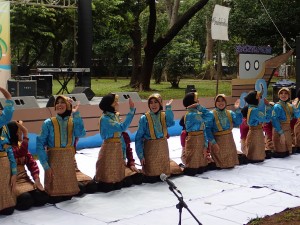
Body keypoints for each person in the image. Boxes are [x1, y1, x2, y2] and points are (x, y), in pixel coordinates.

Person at [36, 95, 86, 203]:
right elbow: (40, 145)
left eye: (62, 102)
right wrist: (46, 166)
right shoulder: (48, 123)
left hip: (68, 161)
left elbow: (81, 133)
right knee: (55, 197)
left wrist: (76, 113)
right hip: (53, 162)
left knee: (69, 196)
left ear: (68, 105)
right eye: (57, 103)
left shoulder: (73, 121)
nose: (59, 105)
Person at [135, 93, 182, 183]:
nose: (153, 105)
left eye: (156, 102)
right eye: (151, 102)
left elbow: (171, 123)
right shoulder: (144, 118)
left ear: (160, 103)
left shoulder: (164, 116)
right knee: (151, 178)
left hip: (163, 148)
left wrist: (168, 108)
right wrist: (141, 156)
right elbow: (138, 138)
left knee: (164, 177)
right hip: (150, 150)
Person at [94, 93, 136, 192]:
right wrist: (131, 111)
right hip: (109, 147)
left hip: (117, 147)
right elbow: (122, 127)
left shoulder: (114, 116)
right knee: (107, 180)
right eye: (115, 102)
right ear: (110, 104)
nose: (117, 104)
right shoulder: (105, 119)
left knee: (118, 181)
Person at [5, 121, 49, 210]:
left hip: (25, 180)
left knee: (42, 197)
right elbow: (20, 152)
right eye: (19, 132)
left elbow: (32, 163)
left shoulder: (20, 145)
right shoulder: (5, 148)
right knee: (26, 199)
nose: (20, 134)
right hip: (12, 182)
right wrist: (25, 135)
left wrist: (36, 179)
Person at [181, 92, 213, 176]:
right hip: (194, 139)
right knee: (193, 156)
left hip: (201, 137)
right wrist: (200, 108)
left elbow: (209, 117)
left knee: (201, 156)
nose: (199, 100)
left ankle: (200, 167)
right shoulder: (191, 115)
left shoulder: (197, 114)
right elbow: (210, 116)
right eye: (197, 99)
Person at [206, 94, 242, 169]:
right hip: (218, 142)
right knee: (220, 164)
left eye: (222, 100)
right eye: (218, 101)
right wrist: (213, 143)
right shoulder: (211, 114)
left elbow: (238, 122)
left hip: (229, 141)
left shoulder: (230, 113)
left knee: (230, 164)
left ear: (226, 102)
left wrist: (238, 110)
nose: (220, 103)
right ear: (215, 103)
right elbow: (207, 129)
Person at [0, 87, 16, 215]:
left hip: (4, 164)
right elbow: (8, 114)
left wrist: (14, 172)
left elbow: (9, 149)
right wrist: (8, 97)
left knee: (9, 209)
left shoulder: (4, 128)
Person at [272, 87, 300, 158]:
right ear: (279, 95)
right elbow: (275, 120)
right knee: (281, 152)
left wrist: (294, 107)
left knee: (287, 152)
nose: (283, 95)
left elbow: (297, 115)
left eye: (286, 93)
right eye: (281, 93)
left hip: (287, 130)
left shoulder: (289, 106)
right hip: (279, 130)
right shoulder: (277, 106)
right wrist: (281, 133)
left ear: (289, 95)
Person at [244, 90, 272, 163]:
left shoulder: (250, 108)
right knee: (256, 152)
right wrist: (268, 106)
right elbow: (267, 119)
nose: (260, 99)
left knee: (252, 149)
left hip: (253, 131)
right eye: (259, 98)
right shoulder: (255, 110)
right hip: (256, 133)